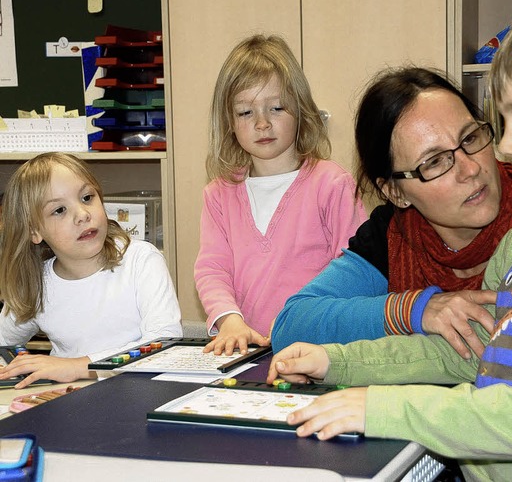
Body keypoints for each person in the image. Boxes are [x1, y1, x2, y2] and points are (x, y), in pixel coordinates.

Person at [267, 0, 512, 480]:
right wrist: (338, 363)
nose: (503, 149)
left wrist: (386, 409)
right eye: (435, 161)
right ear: (395, 191)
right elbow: (477, 352)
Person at [271, 65, 512, 358]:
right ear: (394, 192)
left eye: (470, 138)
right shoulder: (393, 236)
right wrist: (415, 309)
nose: (471, 169)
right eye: (435, 161)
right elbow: (292, 324)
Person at [194, 34, 366, 356]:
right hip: (248, 354)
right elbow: (212, 268)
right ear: (229, 121)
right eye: (245, 112)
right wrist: (230, 321)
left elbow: (357, 270)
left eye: (276, 108)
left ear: (301, 110)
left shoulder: (332, 184)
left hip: (320, 351)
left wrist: (306, 320)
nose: (262, 123)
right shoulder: (218, 195)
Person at [0, 152, 182, 389]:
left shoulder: (141, 260)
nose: (83, 215)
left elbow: (164, 344)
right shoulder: (38, 282)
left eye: (87, 197)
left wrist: (79, 366)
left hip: (138, 396)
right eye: (59, 210)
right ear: (34, 231)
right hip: (64, 403)